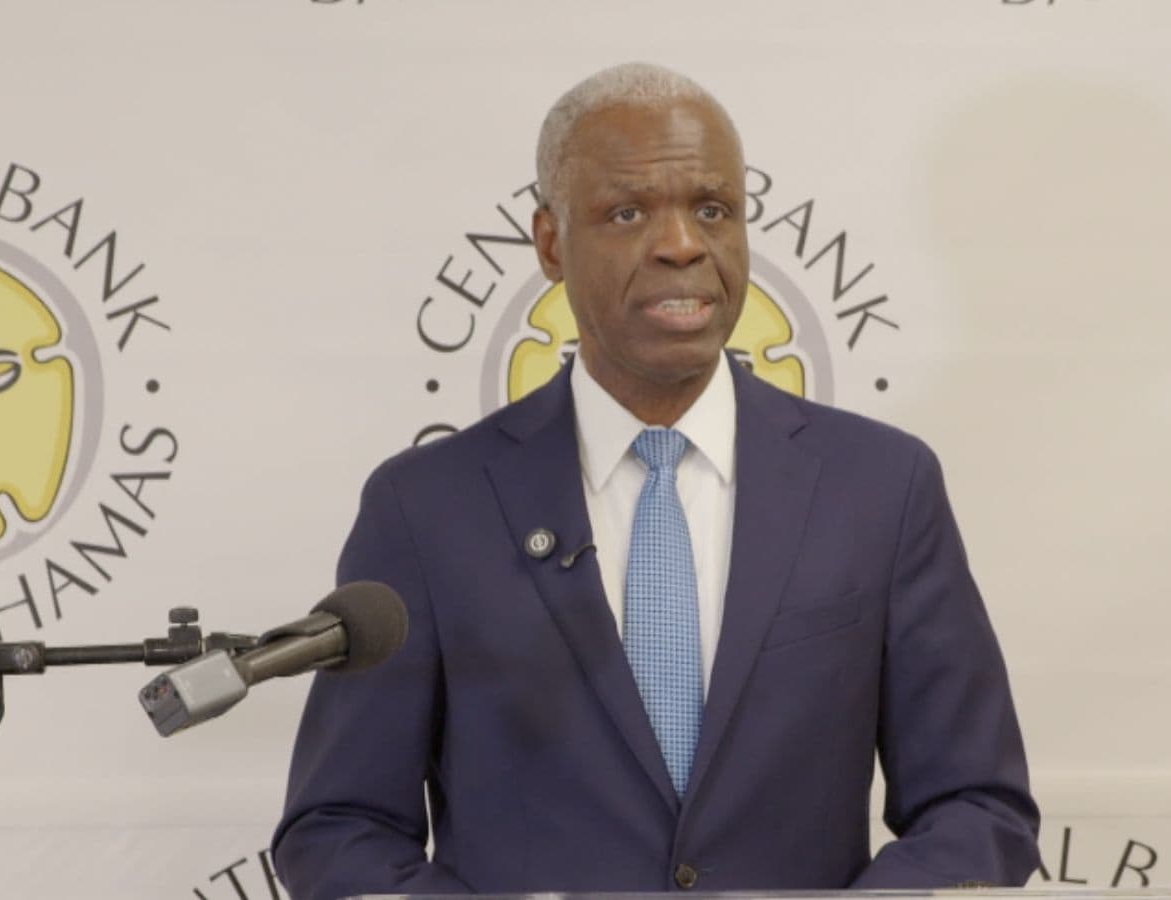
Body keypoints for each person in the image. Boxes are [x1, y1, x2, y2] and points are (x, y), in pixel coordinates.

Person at [272, 62, 1039, 899]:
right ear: (551, 244)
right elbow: (340, 825)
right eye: (628, 212)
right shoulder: (426, 508)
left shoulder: (882, 488)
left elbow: (975, 807)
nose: (682, 244)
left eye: (712, 209)